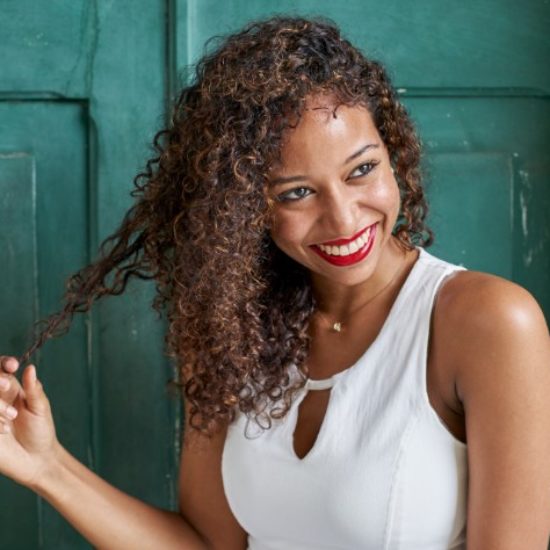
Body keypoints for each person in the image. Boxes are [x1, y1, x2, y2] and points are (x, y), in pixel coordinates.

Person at [1, 15, 549, 550]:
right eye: (296, 193)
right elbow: (208, 544)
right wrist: (47, 466)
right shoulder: (228, 330)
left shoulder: (488, 323)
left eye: (361, 170)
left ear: (394, 155)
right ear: (244, 209)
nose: (343, 219)